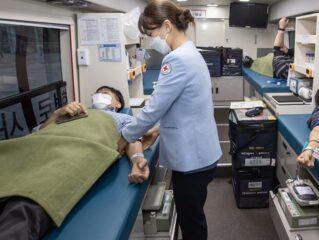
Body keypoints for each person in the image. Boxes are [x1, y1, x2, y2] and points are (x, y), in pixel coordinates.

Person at [116, 1, 222, 239]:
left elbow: (154, 107)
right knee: (194, 216)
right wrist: (158, 130)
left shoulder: (176, 60)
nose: (151, 40)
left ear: (166, 26)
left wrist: (125, 136)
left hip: (192, 159)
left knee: (191, 222)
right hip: (202, 152)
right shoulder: (191, 53)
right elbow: (187, 107)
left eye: (151, 34)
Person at [0, 86, 159, 240]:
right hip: (37, 146)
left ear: (118, 104)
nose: (99, 96)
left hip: (75, 150)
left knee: (31, 199)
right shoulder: (71, 110)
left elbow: (132, 138)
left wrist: (137, 159)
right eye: (96, 93)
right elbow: (38, 132)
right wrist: (56, 114)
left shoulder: (122, 118)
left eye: (105, 93)